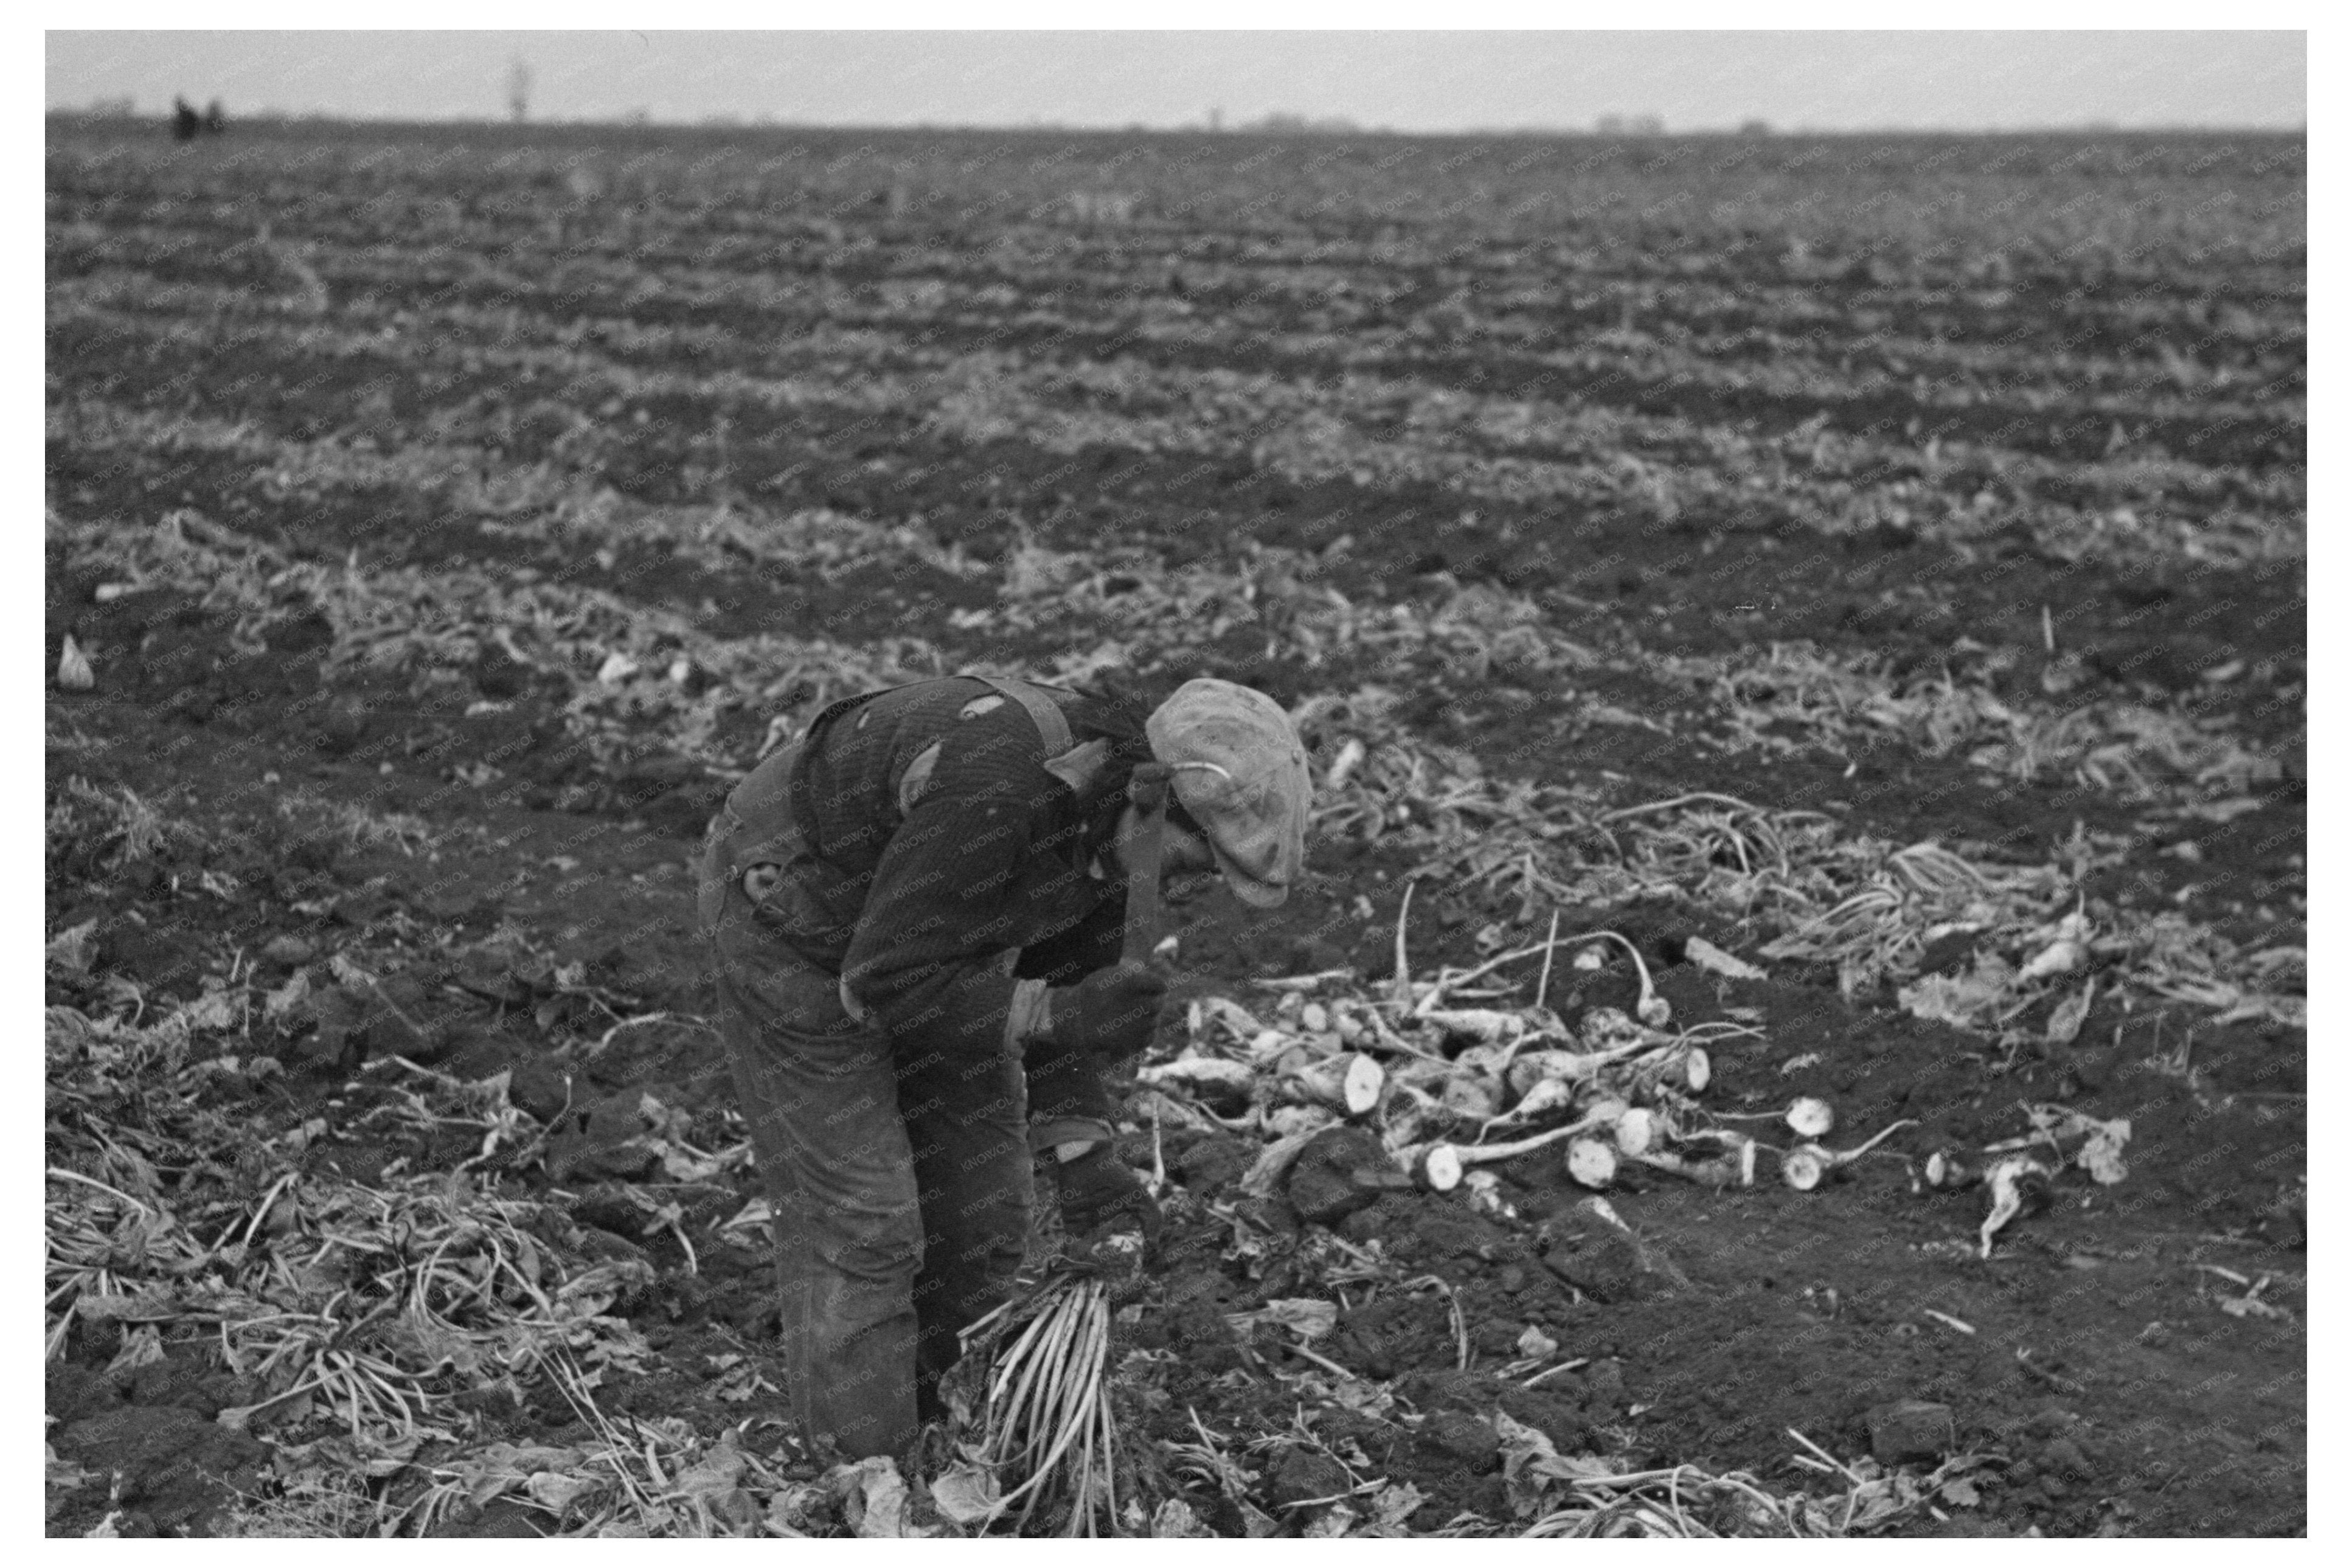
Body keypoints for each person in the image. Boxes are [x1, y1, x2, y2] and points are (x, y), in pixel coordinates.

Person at [698, 673, 1312, 1460]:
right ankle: (862, 1484)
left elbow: (1057, 985)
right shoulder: (1000, 784)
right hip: (802, 919)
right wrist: (1053, 1013)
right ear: (1151, 797)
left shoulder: (1113, 840)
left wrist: (1087, 1156)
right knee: (868, 1224)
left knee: (985, 1214)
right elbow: (880, 982)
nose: (1180, 887)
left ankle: (947, 1447)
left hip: (935, 944)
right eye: (1191, 863)